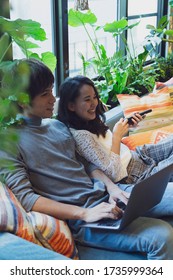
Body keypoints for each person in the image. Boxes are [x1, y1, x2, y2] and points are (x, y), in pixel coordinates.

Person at [1, 58, 173, 260]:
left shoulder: (56, 126)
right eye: (45, 94)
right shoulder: (8, 144)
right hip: (86, 216)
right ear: (22, 100)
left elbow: (88, 165)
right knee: (162, 236)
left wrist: (112, 188)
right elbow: (28, 199)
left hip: (110, 195)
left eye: (52, 90)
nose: (53, 99)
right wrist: (84, 214)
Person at [57, 75, 173, 184]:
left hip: (138, 154)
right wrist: (117, 136)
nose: (94, 103)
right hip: (134, 174)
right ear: (71, 106)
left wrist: (127, 125)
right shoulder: (81, 137)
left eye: (95, 97)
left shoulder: (90, 120)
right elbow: (114, 174)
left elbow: (108, 146)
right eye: (87, 100)